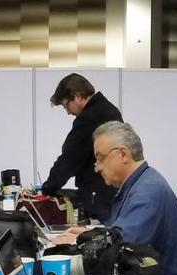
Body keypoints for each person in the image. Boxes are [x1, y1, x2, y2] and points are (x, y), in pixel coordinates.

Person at [52, 122, 177, 275]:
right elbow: (122, 233)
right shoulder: (141, 183)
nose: (97, 167)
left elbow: (117, 251)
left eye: (100, 158)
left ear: (123, 154)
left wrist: (60, 265)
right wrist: (87, 234)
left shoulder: (147, 191)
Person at [41, 73, 123, 223]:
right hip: (112, 192)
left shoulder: (90, 117)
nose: (68, 112)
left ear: (78, 96)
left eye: (66, 105)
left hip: (99, 198)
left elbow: (70, 158)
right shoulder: (109, 109)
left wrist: (48, 189)